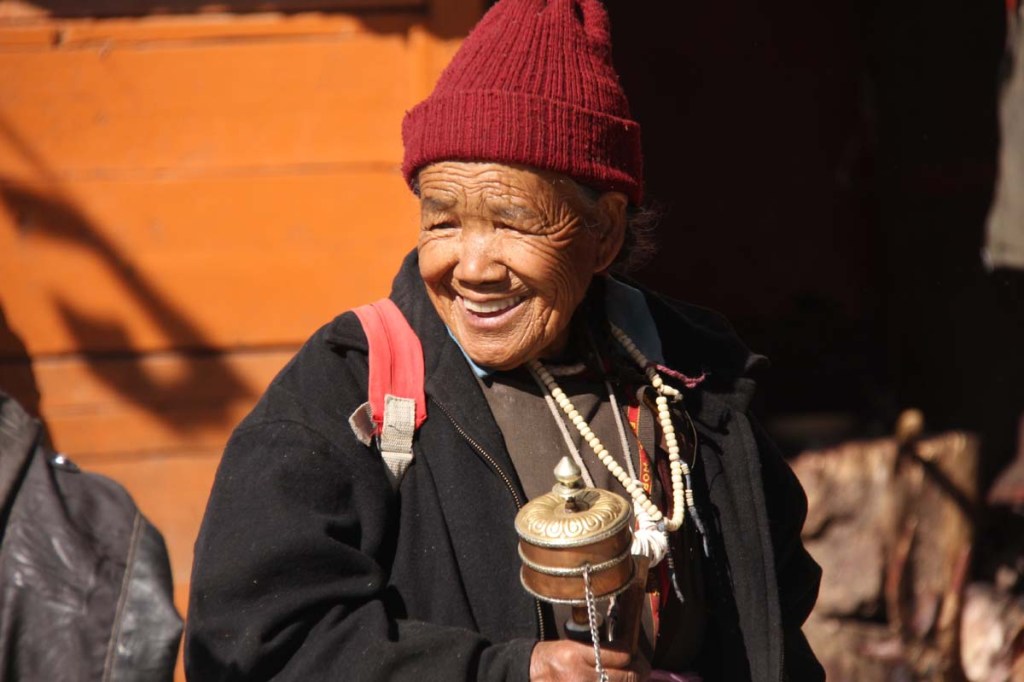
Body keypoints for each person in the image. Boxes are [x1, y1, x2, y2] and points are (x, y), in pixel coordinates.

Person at [185, 1, 823, 680]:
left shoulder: (692, 374)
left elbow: (773, 615)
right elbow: (253, 647)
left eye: (512, 222)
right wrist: (503, 673)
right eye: (444, 222)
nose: (473, 267)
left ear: (603, 234)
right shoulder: (345, 393)